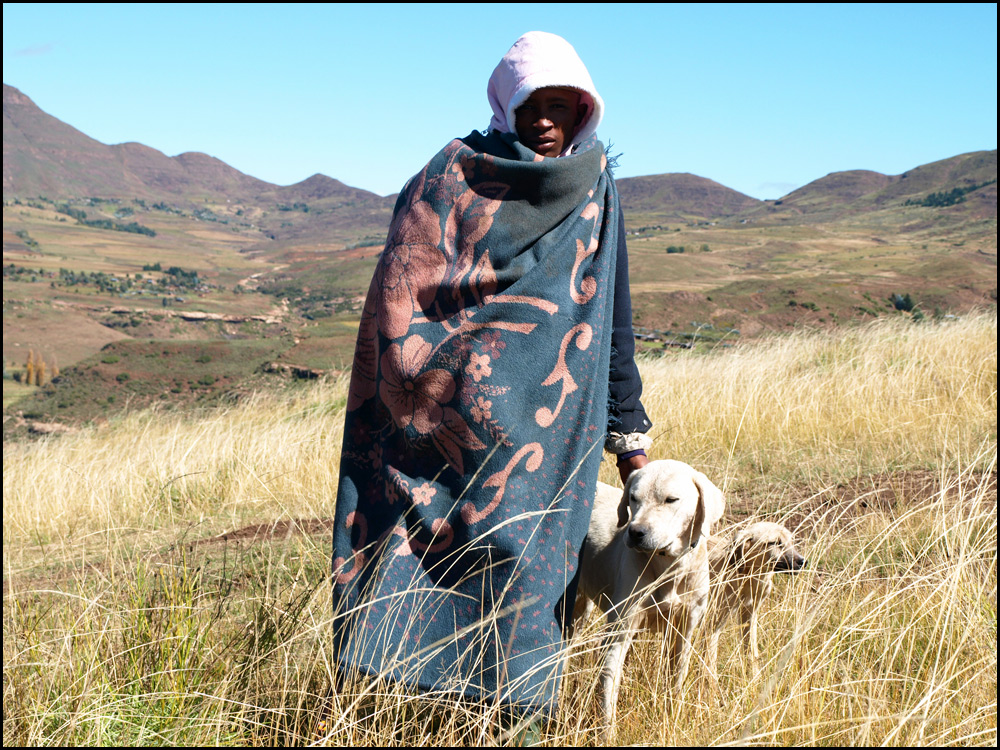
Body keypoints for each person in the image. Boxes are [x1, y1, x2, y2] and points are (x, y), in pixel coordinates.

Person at [330, 30, 651, 720]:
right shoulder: (454, 175)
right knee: (424, 562)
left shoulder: (596, 189)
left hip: (549, 434)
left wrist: (631, 441)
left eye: (560, 105)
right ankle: (417, 715)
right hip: (440, 426)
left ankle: (519, 724)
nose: (543, 119)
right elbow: (402, 291)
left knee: (533, 580)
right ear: (506, 104)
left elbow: (612, 321)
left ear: (582, 111)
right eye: (532, 103)